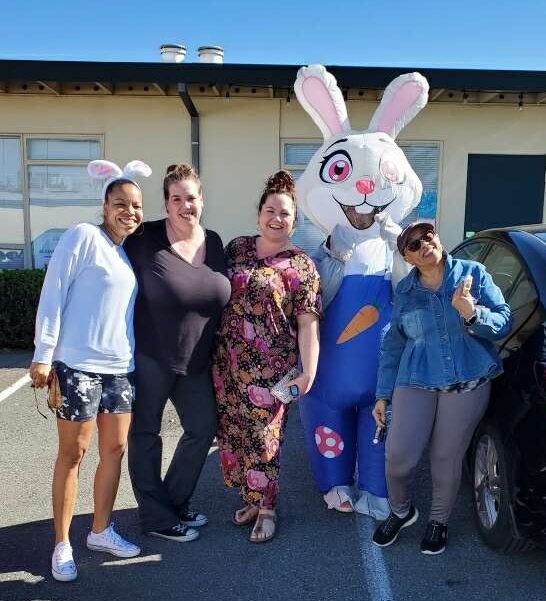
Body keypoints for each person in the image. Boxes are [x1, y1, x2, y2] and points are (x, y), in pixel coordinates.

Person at [30, 159, 151, 582]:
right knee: (73, 454)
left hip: (120, 369)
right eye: (120, 204)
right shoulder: (82, 236)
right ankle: (62, 544)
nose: (129, 212)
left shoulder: (123, 254)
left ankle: (100, 531)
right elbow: (54, 291)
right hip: (77, 366)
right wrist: (44, 354)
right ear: (104, 206)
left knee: (114, 451)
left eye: (136, 206)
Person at [371, 222, 512, 555]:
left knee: (445, 457)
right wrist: (383, 395)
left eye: (427, 236)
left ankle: (438, 520)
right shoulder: (405, 291)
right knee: (398, 455)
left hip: (467, 377)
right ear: (407, 257)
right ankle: (401, 511)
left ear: (437, 238)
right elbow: (393, 346)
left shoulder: (472, 274)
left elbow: (504, 322)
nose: (424, 245)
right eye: (413, 244)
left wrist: (472, 313)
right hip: (416, 377)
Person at [212, 170, 321, 543]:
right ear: (259, 214)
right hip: (227, 364)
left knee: (265, 439)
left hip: (273, 370)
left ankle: (268, 508)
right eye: (270, 211)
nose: (277, 218)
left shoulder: (301, 265)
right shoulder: (237, 249)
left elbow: (308, 322)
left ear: (295, 220)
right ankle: (252, 499)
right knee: (236, 434)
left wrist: (308, 372)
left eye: (285, 213)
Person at [124, 163, 231, 542]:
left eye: (191, 198)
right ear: (166, 204)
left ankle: (171, 503)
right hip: (151, 357)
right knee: (145, 434)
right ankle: (156, 519)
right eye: (176, 199)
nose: (186, 205)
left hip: (196, 362)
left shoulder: (214, 242)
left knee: (202, 429)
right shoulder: (143, 238)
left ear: (202, 199)